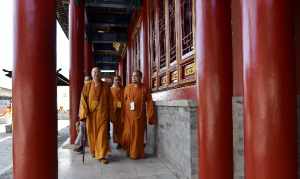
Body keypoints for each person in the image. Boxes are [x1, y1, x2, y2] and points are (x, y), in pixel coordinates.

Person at [79, 67, 113, 164]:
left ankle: (101, 155)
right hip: (91, 115)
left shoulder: (106, 86)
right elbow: (83, 101)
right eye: (94, 72)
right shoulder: (87, 86)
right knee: (92, 134)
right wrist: (83, 114)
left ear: (101, 74)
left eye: (98, 72)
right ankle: (94, 150)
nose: (96, 74)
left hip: (103, 115)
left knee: (102, 135)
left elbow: (110, 101)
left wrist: (112, 115)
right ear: (91, 74)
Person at [122, 70, 156, 160]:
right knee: (128, 134)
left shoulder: (144, 88)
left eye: (136, 76)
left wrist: (150, 115)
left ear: (140, 77)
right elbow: (124, 101)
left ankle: (136, 153)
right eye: (133, 76)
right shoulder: (127, 87)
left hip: (139, 117)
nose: (134, 77)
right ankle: (129, 150)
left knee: (138, 136)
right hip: (128, 116)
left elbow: (149, 102)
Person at [74, 76, 92, 153]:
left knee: (86, 132)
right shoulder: (84, 89)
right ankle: (81, 146)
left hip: (88, 114)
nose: (87, 81)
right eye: (85, 80)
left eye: (88, 80)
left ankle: (82, 146)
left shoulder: (91, 90)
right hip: (82, 114)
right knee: (82, 131)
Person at [110, 76, 124, 149]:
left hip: (123, 111)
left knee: (123, 127)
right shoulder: (111, 90)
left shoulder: (124, 89)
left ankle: (123, 141)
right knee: (116, 128)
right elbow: (109, 101)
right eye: (116, 80)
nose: (117, 81)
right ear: (113, 81)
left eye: (119, 80)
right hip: (115, 112)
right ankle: (118, 142)